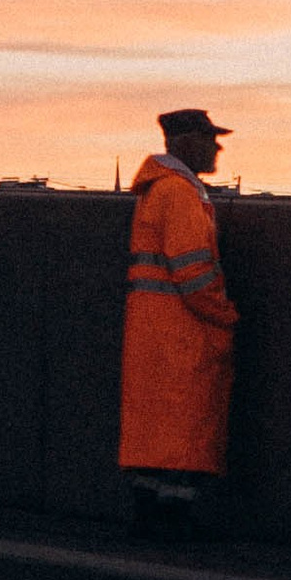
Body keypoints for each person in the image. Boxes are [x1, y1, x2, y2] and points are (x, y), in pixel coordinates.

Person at [120, 106, 238, 534]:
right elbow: (195, 273)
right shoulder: (181, 194)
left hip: (157, 331)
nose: (217, 146)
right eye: (209, 138)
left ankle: (151, 519)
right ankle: (174, 523)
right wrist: (225, 315)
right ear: (186, 142)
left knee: (157, 434)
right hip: (183, 333)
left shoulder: (159, 190)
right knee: (181, 432)